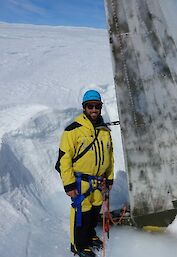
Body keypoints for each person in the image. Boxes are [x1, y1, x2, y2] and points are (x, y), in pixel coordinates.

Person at [55, 89, 114, 257]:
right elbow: (64, 160)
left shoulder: (104, 131)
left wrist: (109, 178)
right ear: (84, 107)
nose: (94, 110)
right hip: (81, 182)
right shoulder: (73, 131)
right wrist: (69, 184)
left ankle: (89, 236)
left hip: (98, 181)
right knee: (81, 214)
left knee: (94, 212)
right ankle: (78, 246)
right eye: (90, 106)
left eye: (97, 106)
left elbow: (110, 155)